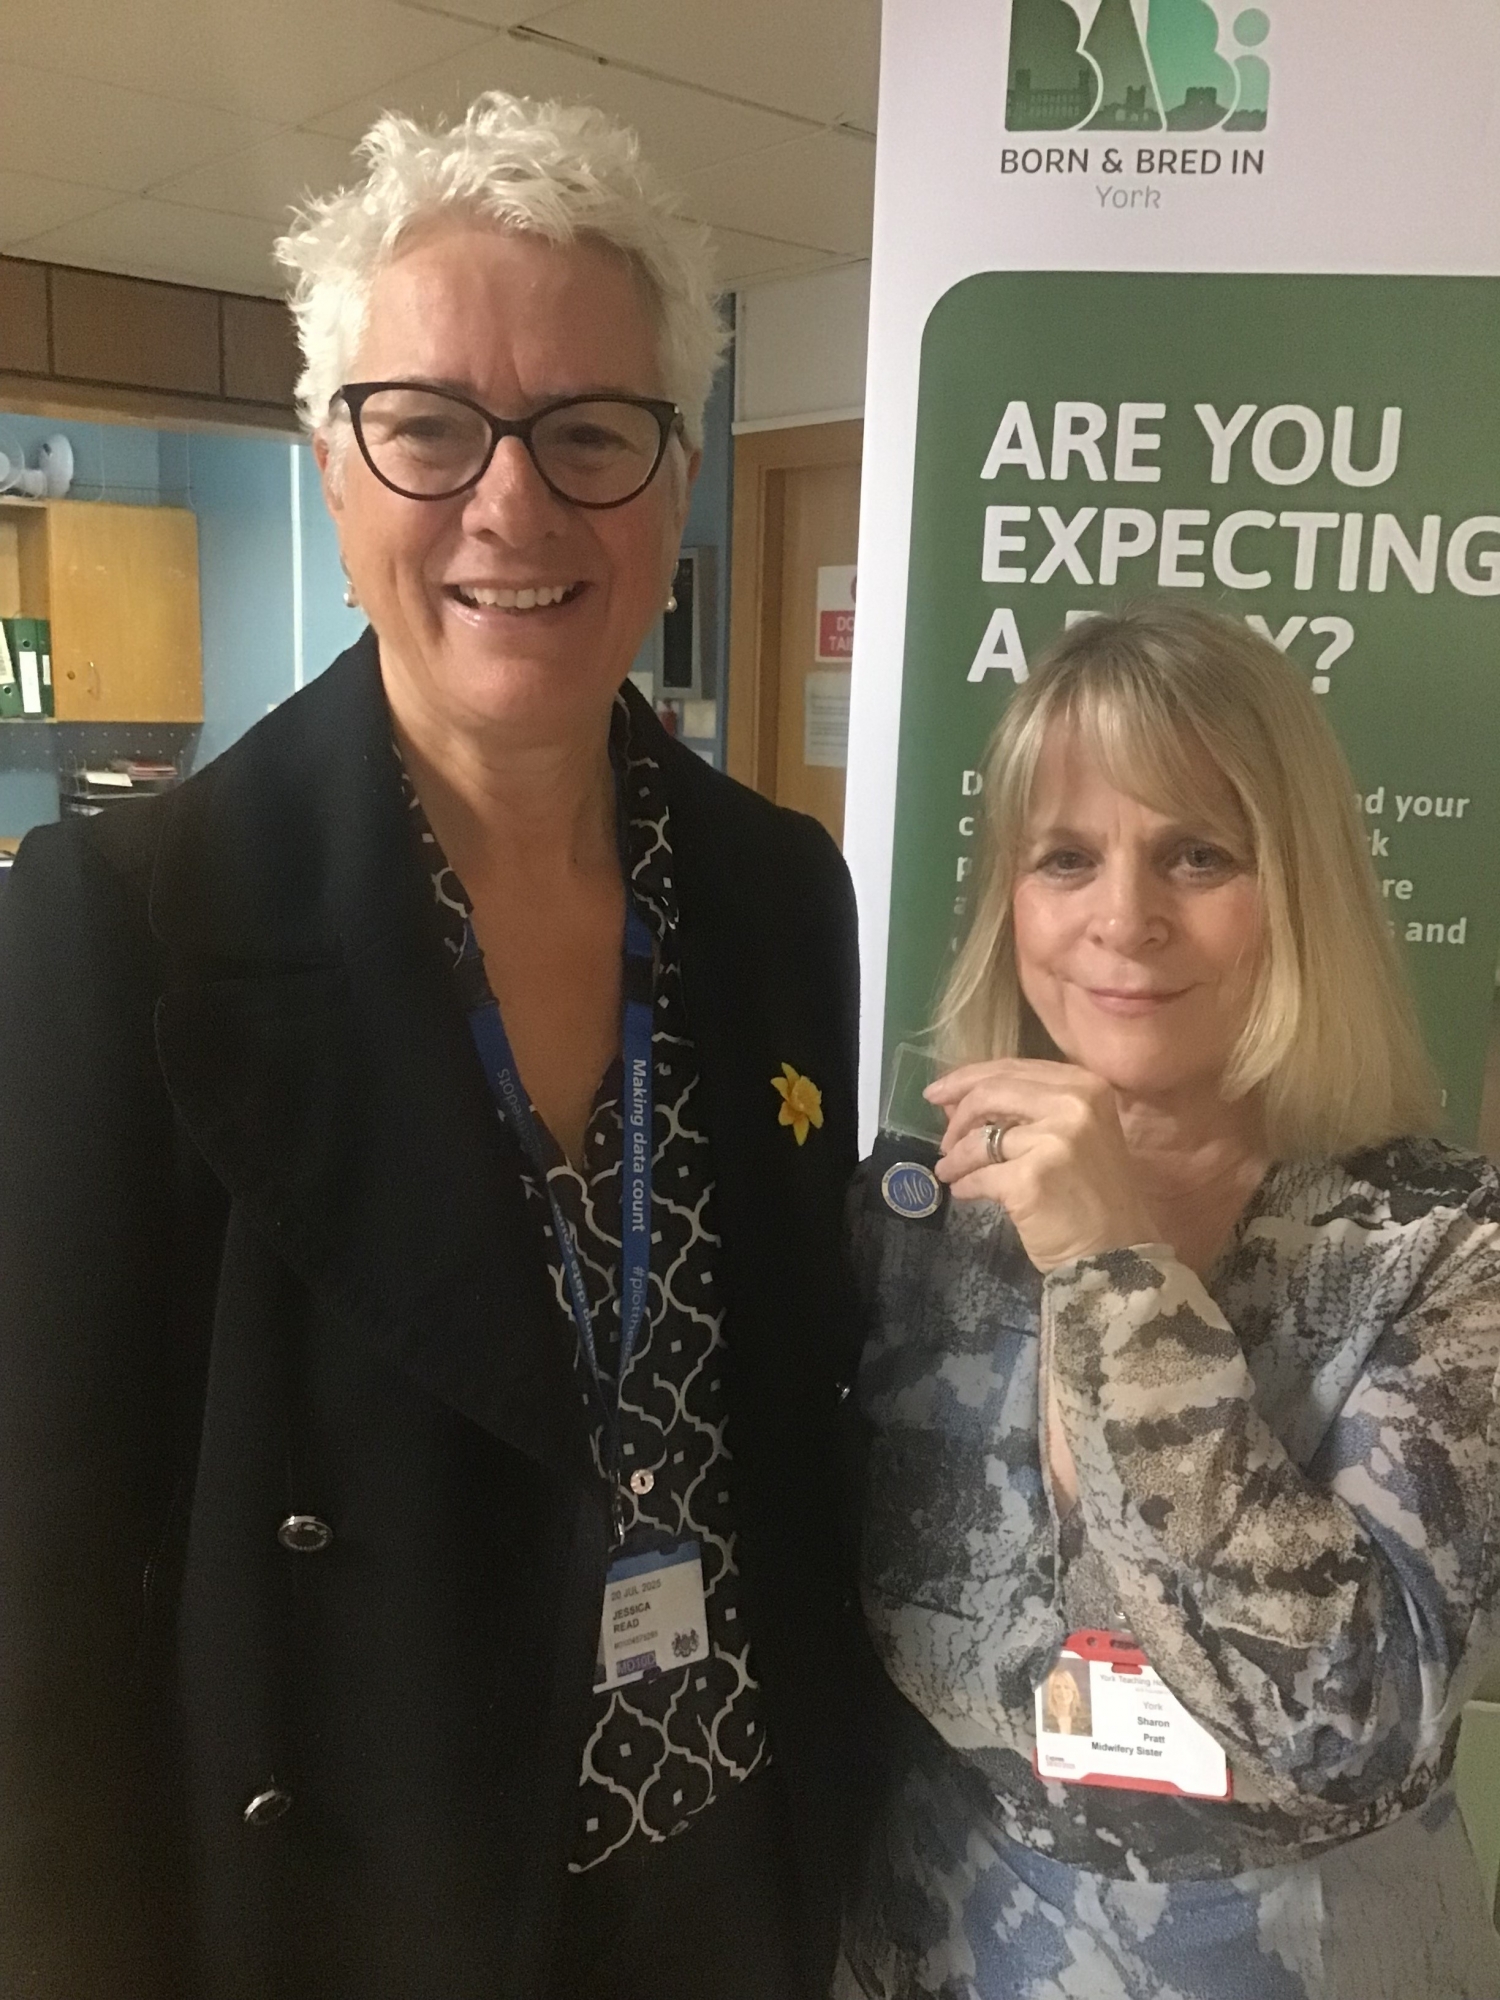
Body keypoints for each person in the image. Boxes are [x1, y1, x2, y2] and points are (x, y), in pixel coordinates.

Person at [0, 94, 868, 2000]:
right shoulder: (118, 926)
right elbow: (37, 1615)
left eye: (590, 431)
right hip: (358, 1913)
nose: (513, 504)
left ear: (676, 467)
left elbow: (797, 1419)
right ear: (334, 465)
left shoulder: (783, 893)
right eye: (430, 426)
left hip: (735, 1884)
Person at [840, 604, 1500, 1999]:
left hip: (1301, 1958)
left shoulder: (1442, 1251)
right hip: (936, 1942)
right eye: (1066, 858)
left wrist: (1117, 1271)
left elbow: (1347, 1717)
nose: (1123, 918)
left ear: (1299, 888)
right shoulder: (912, 1226)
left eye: (1198, 855)